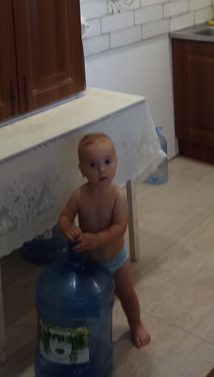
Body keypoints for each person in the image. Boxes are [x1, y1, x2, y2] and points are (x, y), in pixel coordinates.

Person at [58, 132, 151, 348]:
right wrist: (68, 228)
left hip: (115, 260)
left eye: (107, 162)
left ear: (116, 162)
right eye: (93, 165)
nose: (101, 169)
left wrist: (97, 239)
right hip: (89, 262)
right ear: (81, 169)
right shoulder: (79, 196)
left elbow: (119, 228)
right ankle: (91, 330)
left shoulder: (118, 195)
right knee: (89, 300)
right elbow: (64, 217)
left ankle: (136, 324)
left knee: (127, 294)